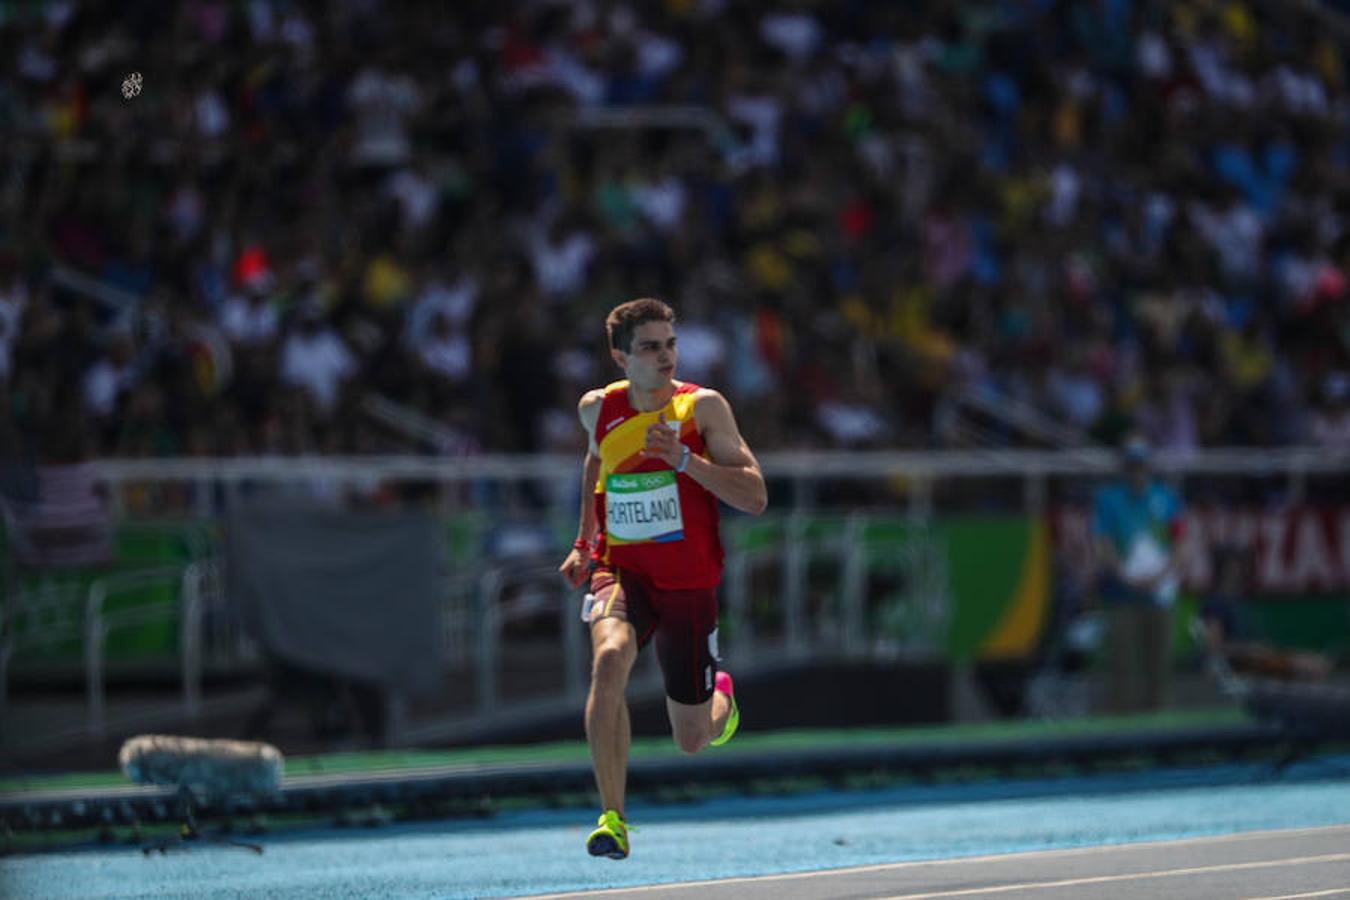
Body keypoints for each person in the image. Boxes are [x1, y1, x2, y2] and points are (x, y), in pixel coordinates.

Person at [558, 298, 768, 860]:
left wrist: (685, 462)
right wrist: (584, 542)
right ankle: (613, 818)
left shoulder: (702, 409)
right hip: (622, 571)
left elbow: (755, 494)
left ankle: (720, 696)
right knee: (608, 660)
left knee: (692, 739)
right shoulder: (596, 408)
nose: (665, 356)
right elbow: (595, 462)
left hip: (688, 585)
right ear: (620, 355)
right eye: (650, 347)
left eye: (670, 344)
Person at [1091, 434, 1187, 713]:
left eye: (1141, 466)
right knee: (1121, 667)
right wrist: (1124, 577)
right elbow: (1102, 543)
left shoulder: (1166, 498)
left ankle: (1160, 726)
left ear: (1148, 467)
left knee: (1159, 668)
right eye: (1132, 466)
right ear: (1124, 467)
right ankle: (1121, 731)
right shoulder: (1109, 500)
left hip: (1158, 594)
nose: (1137, 472)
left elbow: (1180, 543)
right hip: (1121, 594)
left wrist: (1161, 576)